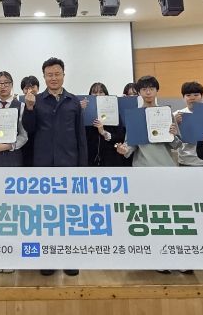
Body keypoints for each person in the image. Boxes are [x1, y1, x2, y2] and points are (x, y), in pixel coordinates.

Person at [22, 58, 86, 277]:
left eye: (57, 74)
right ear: (44, 77)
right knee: (46, 214)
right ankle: (48, 258)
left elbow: (80, 136)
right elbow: (29, 130)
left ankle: (69, 258)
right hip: (43, 164)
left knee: (69, 214)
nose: (54, 78)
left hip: (69, 163)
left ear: (63, 75)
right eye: (49, 74)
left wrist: (82, 167)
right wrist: (29, 108)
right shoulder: (36, 101)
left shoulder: (73, 101)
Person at [115, 76, 179, 167]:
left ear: (157, 90)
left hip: (166, 164)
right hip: (142, 166)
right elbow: (130, 144)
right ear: (139, 92)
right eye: (144, 89)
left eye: (151, 89)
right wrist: (124, 149)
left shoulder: (166, 113)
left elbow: (177, 145)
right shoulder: (134, 115)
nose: (148, 92)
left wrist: (174, 135)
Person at [86, 82, 129, 167]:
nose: (97, 95)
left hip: (111, 159)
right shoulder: (85, 113)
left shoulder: (114, 112)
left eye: (101, 92)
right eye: (94, 92)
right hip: (90, 159)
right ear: (90, 95)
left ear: (106, 94)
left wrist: (103, 132)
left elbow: (120, 136)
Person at [175, 81, 203, 168]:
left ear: (202, 96)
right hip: (184, 160)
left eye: (196, 95)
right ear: (183, 97)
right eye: (188, 95)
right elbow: (172, 142)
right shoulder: (177, 115)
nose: (192, 98)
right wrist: (176, 124)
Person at [19, 76, 40, 167]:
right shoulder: (20, 105)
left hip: (40, 143)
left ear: (38, 88)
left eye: (32, 87)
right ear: (23, 90)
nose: (30, 90)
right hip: (24, 144)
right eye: (26, 88)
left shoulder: (44, 103)